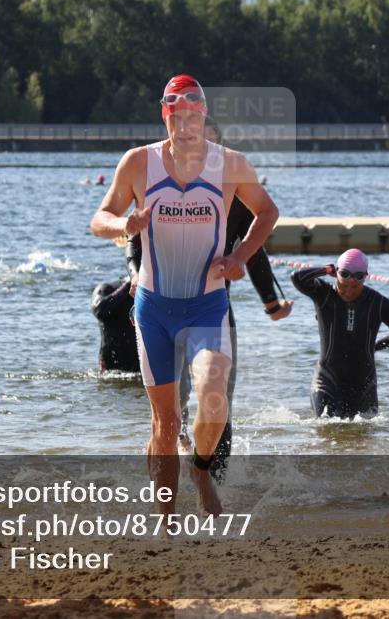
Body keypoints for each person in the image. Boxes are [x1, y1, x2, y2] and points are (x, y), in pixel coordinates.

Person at [90, 74, 278, 517]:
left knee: (214, 398)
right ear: (166, 116)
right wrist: (124, 227)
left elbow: (267, 211)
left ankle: (201, 469)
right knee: (166, 421)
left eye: (194, 115)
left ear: (204, 116)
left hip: (208, 304)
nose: (186, 125)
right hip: (154, 308)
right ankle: (165, 520)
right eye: (177, 115)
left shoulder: (230, 164)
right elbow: (100, 217)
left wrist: (240, 255)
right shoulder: (139, 163)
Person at [126, 115, 292, 482]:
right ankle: (165, 474)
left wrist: (271, 304)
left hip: (213, 311)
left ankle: (212, 481)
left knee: (217, 402)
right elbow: (134, 238)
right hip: (163, 305)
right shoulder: (161, 186)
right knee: (169, 413)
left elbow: (256, 253)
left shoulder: (233, 201)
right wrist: (136, 274)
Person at [291, 249, 389, 419]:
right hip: (327, 381)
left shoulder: (378, 303)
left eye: (355, 286)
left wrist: (374, 346)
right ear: (337, 275)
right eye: (344, 284)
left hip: (364, 384)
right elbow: (297, 277)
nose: (349, 291)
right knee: (326, 432)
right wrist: (326, 269)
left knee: (364, 439)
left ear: (365, 277)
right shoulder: (324, 294)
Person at [91, 276, 139, 373]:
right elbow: (99, 309)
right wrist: (128, 285)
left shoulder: (146, 292)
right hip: (110, 367)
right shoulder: (107, 288)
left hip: (137, 364)